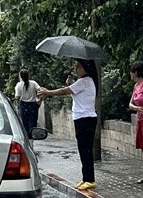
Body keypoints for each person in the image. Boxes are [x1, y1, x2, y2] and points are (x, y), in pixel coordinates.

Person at [38, 58, 99, 191]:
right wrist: (71, 84)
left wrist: (48, 92)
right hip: (82, 118)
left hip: (85, 119)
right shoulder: (84, 82)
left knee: (86, 150)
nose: (76, 68)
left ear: (85, 68)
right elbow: (75, 95)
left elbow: (63, 91)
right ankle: (86, 178)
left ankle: (90, 179)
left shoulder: (85, 81)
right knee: (83, 149)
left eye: (78, 66)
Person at [13, 69, 43, 139]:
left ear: (20, 76)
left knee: (25, 123)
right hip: (33, 105)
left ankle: (27, 138)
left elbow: (17, 97)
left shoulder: (18, 85)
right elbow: (41, 91)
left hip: (23, 105)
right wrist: (40, 100)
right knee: (33, 122)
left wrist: (17, 105)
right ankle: (33, 137)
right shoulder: (33, 83)